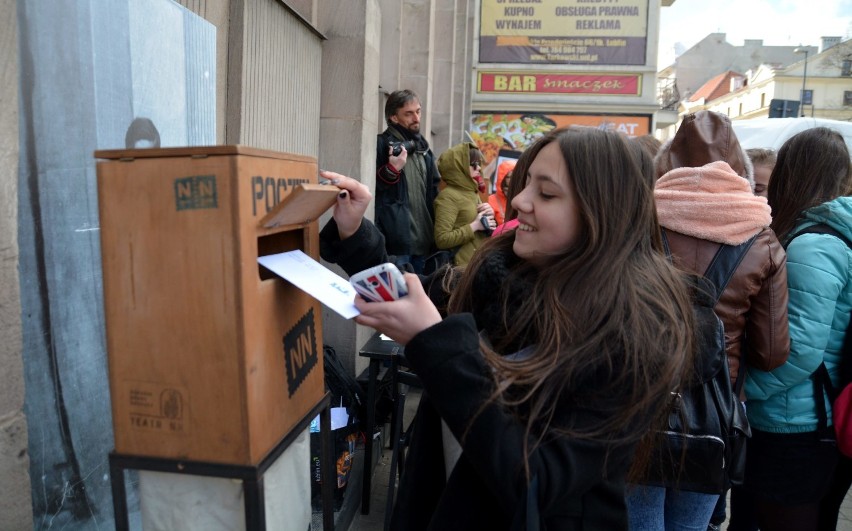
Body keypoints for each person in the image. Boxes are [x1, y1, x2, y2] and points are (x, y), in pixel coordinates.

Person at [319, 126, 697, 530]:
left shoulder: (633, 333)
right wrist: (355, 230)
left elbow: (535, 482)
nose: (519, 200)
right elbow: (409, 293)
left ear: (603, 213)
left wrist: (437, 345)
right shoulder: (497, 272)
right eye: (526, 182)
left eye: (546, 193)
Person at [627, 110, 791, 530]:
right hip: (716, 414)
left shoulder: (636, 222)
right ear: (740, 167)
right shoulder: (763, 238)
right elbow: (771, 352)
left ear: (664, 163)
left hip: (636, 403)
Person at [743, 127, 852, 531]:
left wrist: (742, 390)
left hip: (794, 421)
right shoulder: (831, 235)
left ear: (790, 174)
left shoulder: (814, 245)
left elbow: (801, 348)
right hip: (813, 415)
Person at [375, 89, 441, 273]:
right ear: (394, 118)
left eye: (418, 111)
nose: (416, 118)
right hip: (396, 246)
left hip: (425, 243)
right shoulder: (381, 145)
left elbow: (435, 191)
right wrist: (392, 169)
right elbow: (372, 190)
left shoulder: (423, 148)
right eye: (409, 113)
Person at [432, 142, 496, 267]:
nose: (478, 168)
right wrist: (475, 226)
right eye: (473, 164)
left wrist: (489, 216)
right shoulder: (448, 197)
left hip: (477, 264)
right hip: (460, 269)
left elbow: (481, 228)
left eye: (479, 163)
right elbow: (442, 239)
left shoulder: (472, 191)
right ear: (458, 166)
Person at [488, 159, 516, 226]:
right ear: (502, 178)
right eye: (510, 177)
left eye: (516, 176)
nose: (514, 179)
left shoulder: (520, 198)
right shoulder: (491, 200)